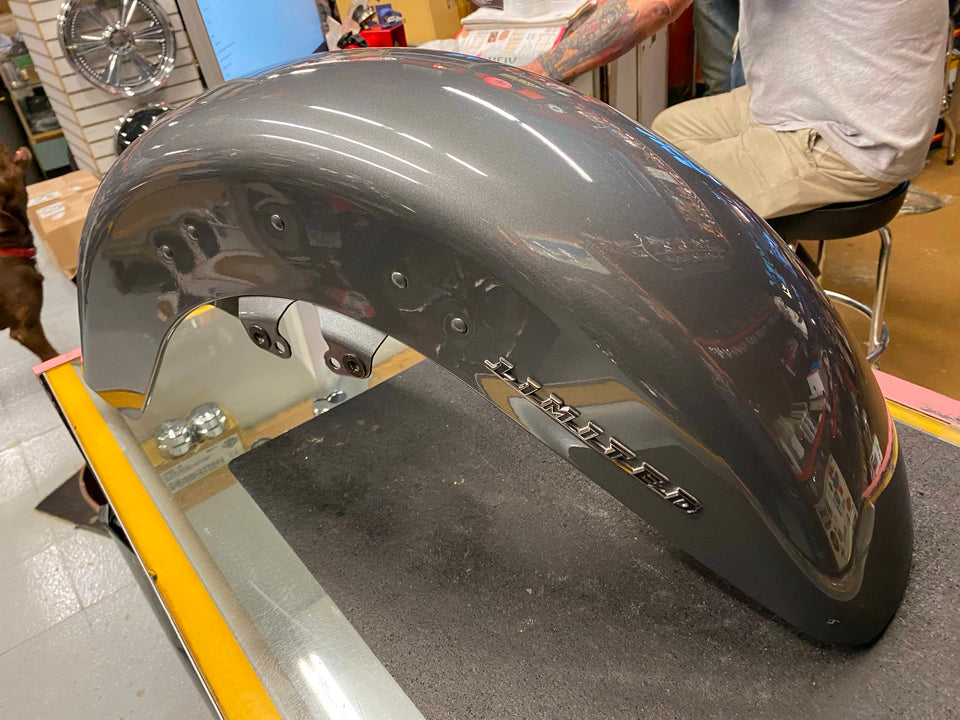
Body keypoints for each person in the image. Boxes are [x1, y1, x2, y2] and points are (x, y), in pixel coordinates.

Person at [524, 1, 948, 218]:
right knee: (670, 128)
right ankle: (773, 254)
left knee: (654, 195)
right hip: (823, 96)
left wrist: (536, 73)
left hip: (853, 137)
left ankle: (754, 300)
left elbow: (655, 7)